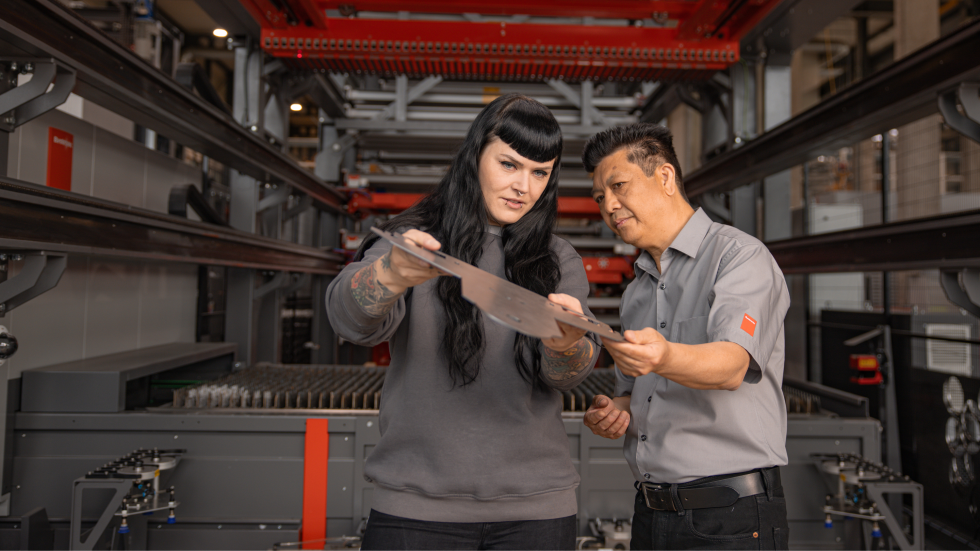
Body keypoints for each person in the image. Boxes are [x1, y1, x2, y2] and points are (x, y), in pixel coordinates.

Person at [326, 93, 600, 550]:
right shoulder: (412, 240)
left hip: (536, 511)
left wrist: (567, 344)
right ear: (475, 157)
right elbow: (348, 320)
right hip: (414, 508)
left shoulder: (557, 258)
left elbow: (568, 375)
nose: (523, 187)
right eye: (509, 165)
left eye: (539, 173)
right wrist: (390, 275)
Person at [580, 123, 791, 550]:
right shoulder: (637, 290)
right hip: (653, 511)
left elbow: (732, 364)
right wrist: (617, 409)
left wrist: (662, 356)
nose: (610, 206)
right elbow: (639, 392)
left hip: (729, 517)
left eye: (619, 186)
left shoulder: (739, 258)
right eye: (601, 197)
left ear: (664, 177)